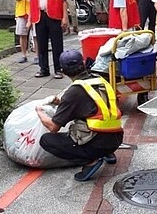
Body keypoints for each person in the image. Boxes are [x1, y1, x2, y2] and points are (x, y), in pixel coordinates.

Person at [38, 50, 123, 182]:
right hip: (117, 137)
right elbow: (94, 106)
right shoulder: (100, 80)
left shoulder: (73, 92)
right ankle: (107, 153)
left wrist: (40, 112)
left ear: (63, 71)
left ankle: (90, 161)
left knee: (46, 140)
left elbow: (53, 127)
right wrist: (60, 103)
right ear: (83, 64)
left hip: (97, 143)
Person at [29, 0, 69, 79]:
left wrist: (65, 17)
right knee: (41, 43)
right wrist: (30, 19)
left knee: (57, 44)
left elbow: (64, 0)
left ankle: (58, 69)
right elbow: (32, 3)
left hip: (54, 16)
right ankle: (44, 68)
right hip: (40, 16)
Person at [12, 0, 38, 64]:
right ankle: (23, 55)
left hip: (35, 12)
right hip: (22, 11)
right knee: (22, 34)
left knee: (37, 35)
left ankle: (37, 55)